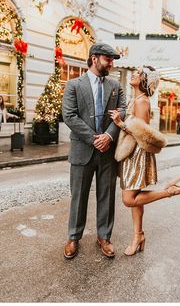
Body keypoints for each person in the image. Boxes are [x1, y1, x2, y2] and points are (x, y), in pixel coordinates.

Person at [109, 66, 180, 256]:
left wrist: (120, 123)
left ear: (145, 80)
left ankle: (170, 191)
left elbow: (143, 132)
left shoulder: (142, 101)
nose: (134, 74)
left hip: (136, 154)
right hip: (132, 152)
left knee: (129, 200)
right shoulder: (136, 99)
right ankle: (138, 236)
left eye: (138, 73)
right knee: (137, 199)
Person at [62, 43, 126, 259]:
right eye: (108, 59)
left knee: (107, 196)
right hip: (83, 150)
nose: (111, 63)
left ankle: (104, 237)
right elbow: (69, 116)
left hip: (108, 151)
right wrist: (94, 139)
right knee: (78, 197)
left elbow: (123, 111)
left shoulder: (116, 85)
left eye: (112, 60)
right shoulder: (73, 85)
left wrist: (108, 136)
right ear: (94, 58)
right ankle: (73, 237)